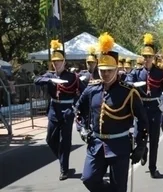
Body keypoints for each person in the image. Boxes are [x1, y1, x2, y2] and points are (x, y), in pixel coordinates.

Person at [75, 32, 149, 191]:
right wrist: (82, 129)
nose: (105, 73)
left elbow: (142, 119)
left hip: (119, 146)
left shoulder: (129, 92)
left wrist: (141, 144)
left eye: (109, 69)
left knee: (119, 187)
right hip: (96, 144)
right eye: (102, 69)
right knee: (89, 179)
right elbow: (79, 111)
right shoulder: (91, 89)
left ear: (116, 69)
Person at [34, 39, 85, 180]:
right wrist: (48, 81)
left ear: (64, 62)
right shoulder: (49, 75)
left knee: (65, 141)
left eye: (58, 61)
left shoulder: (72, 77)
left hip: (67, 111)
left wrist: (75, 106)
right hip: (53, 110)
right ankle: (63, 159)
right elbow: (36, 80)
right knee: (50, 139)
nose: (56, 64)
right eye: (54, 62)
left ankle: (64, 169)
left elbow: (83, 92)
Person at [125, 33, 163, 178]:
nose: (147, 59)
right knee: (139, 137)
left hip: (155, 109)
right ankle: (143, 150)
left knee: (154, 139)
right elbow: (128, 81)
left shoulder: (160, 73)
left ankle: (152, 167)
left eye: (149, 56)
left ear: (154, 57)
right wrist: (130, 83)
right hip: (141, 109)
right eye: (145, 56)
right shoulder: (137, 72)